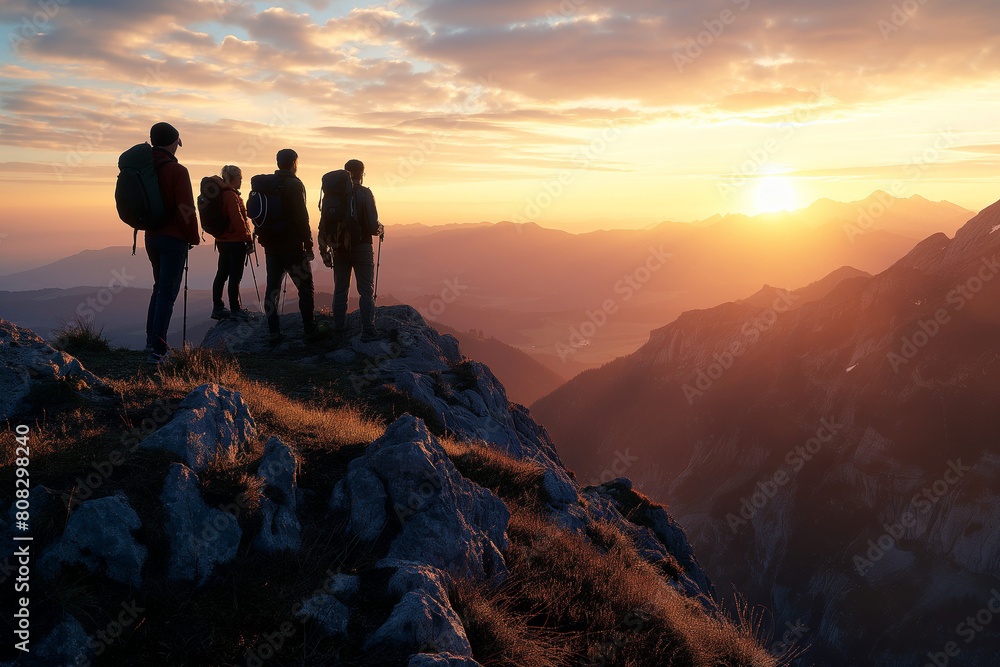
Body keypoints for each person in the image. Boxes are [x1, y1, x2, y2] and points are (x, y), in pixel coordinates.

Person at [145, 122, 199, 364]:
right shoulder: (178, 171)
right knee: (168, 293)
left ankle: (151, 343)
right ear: (174, 142)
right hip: (173, 239)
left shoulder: (145, 167)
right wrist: (193, 237)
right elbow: (186, 209)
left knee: (159, 289)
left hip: (151, 236)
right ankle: (158, 351)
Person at [256, 148, 318, 344]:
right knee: (305, 288)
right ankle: (310, 330)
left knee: (272, 288)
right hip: (292, 246)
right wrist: (308, 243)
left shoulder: (267, 185)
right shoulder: (294, 184)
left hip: (271, 245)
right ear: (294, 163)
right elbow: (301, 217)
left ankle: (273, 331)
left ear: (277, 163)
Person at [333, 158, 384, 341]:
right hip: (362, 246)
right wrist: (380, 229)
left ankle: (338, 329)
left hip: (339, 248)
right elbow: (371, 225)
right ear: (362, 174)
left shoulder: (335, 193)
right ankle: (368, 330)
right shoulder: (365, 193)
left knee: (340, 289)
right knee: (365, 290)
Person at [210, 165, 253, 321]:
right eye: (240, 177)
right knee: (235, 276)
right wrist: (248, 239)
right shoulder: (231, 195)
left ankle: (218, 307)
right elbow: (238, 221)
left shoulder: (221, 194)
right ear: (234, 178)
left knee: (221, 274)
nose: (241, 180)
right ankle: (235, 309)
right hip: (235, 242)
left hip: (222, 241)